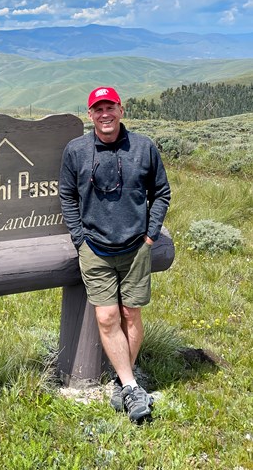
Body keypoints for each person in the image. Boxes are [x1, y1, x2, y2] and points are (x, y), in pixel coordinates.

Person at [58, 86, 171, 423]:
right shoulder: (76, 151)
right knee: (107, 317)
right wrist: (79, 238)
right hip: (94, 248)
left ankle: (124, 382)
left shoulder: (143, 147)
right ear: (89, 115)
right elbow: (67, 195)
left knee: (130, 314)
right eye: (98, 109)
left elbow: (161, 192)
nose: (104, 115)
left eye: (110, 108)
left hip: (136, 247)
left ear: (121, 110)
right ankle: (132, 386)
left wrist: (151, 236)